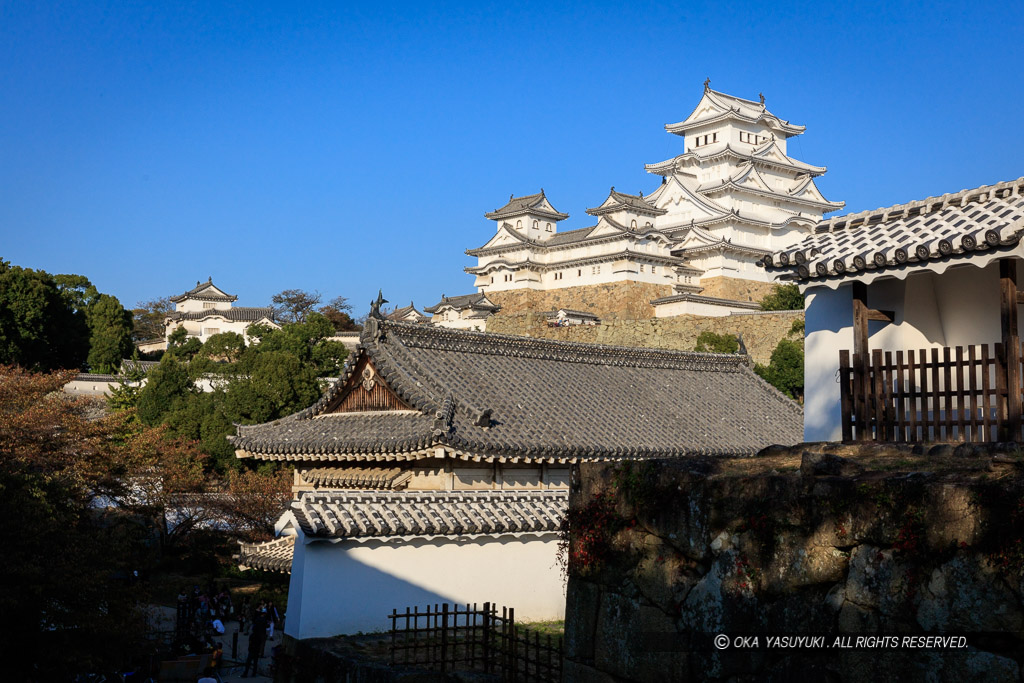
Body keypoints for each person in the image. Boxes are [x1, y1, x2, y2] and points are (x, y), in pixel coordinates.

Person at [242, 610, 269, 677]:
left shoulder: (252, 635)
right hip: (257, 647)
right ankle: (254, 673)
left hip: (251, 649)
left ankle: (246, 673)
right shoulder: (264, 620)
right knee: (255, 662)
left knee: (249, 661)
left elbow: (250, 642)